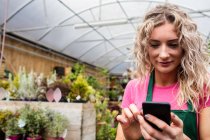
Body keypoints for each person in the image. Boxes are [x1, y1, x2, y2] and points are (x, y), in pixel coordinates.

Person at [116, 3, 210, 140]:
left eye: (173, 44)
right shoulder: (134, 87)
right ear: (145, 48)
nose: (164, 54)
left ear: (185, 46)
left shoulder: (201, 88)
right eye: (154, 45)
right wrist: (130, 137)